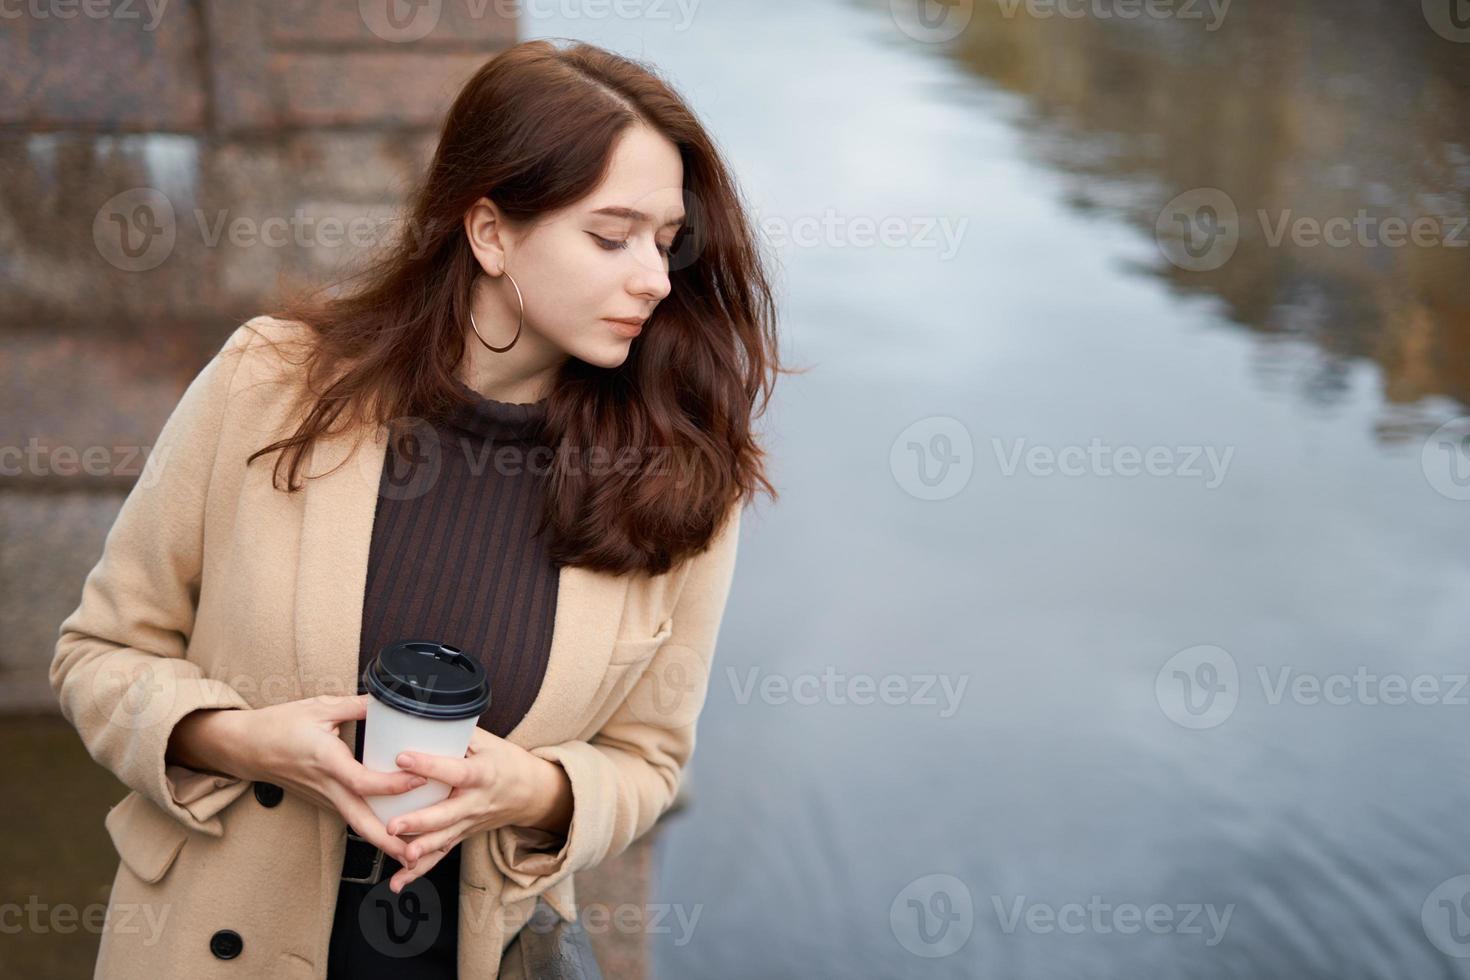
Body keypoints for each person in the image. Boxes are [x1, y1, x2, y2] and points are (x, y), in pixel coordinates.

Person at [50, 38, 783, 978]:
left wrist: (538, 789)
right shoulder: (268, 384)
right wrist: (239, 740)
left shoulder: (680, 474)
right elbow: (98, 654)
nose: (652, 276)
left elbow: (648, 763)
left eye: (665, 239)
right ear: (489, 232)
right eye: (610, 236)